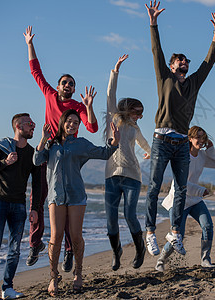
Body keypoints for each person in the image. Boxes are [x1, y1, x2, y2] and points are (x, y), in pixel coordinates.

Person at [144, 0, 215, 257]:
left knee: (181, 188)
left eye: (185, 61)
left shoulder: (194, 84)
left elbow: (208, 63)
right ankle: (150, 232)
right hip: (161, 138)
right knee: (155, 186)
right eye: (179, 60)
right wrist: (153, 23)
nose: (183, 63)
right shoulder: (164, 77)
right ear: (172, 65)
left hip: (180, 142)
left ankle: (175, 233)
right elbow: (156, 51)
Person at [24, 25, 99, 271]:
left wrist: (88, 106)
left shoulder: (77, 106)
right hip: (48, 148)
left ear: (74, 90)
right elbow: (36, 72)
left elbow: (92, 128)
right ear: (58, 85)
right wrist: (29, 44)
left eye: (72, 84)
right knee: (39, 199)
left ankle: (69, 251)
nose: (68, 85)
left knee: (66, 203)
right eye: (65, 82)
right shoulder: (48, 94)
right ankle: (35, 244)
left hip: (69, 154)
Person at [33, 108, 120, 296]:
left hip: (76, 196)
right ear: (62, 122)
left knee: (75, 236)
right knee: (55, 237)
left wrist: (115, 140)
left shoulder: (81, 144)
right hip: (56, 196)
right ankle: (53, 276)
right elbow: (37, 159)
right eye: (69, 121)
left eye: (76, 123)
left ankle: (78, 273)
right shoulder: (51, 144)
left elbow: (104, 153)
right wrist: (43, 139)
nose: (72, 125)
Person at [0, 113, 42, 300]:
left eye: (33, 124)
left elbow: (37, 183)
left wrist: (35, 208)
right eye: (29, 124)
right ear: (18, 126)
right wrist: (5, 162)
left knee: (14, 249)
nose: (33, 127)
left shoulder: (32, 153)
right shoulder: (2, 148)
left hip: (19, 205)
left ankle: (8, 288)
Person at [104, 54, 151, 271]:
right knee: (111, 219)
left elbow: (143, 143)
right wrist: (115, 71)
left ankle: (140, 248)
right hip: (112, 176)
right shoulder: (113, 119)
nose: (140, 116)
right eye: (137, 112)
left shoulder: (134, 128)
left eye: (141, 113)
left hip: (132, 175)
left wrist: (150, 152)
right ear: (127, 109)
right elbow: (110, 94)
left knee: (130, 214)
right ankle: (116, 251)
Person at [155, 126, 215, 271]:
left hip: (194, 200)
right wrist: (201, 190)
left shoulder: (203, 156)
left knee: (207, 226)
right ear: (190, 139)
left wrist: (211, 149)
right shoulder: (182, 155)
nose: (201, 140)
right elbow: (181, 183)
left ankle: (205, 260)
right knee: (178, 235)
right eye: (197, 137)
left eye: (203, 137)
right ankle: (161, 261)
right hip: (179, 200)